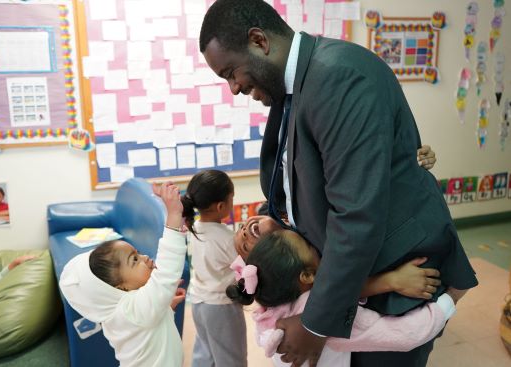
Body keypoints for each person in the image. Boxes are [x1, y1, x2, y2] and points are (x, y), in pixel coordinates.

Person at [199, 1, 478, 366]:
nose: (234, 88)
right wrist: (274, 219)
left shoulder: (340, 77)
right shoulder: (296, 88)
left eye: (231, 72)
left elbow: (356, 214)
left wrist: (315, 325)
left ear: (258, 40)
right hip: (351, 280)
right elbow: (296, 177)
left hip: (389, 282)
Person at [226, 230, 466, 367]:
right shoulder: (321, 316)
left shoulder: (268, 301)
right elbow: (404, 335)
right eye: (311, 247)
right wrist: (449, 300)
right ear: (307, 275)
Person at [59, 183, 187, 367]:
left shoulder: (121, 311)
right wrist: (174, 215)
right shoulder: (132, 310)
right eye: (134, 260)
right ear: (120, 287)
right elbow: (166, 273)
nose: (144, 258)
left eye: (138, 253)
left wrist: (165, 306)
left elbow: (149, 328)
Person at [182, 170, 247, 367]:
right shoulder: (227, 239)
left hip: (198, 303)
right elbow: (246, 269)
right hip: (222, 306)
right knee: (231, 357)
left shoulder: (193, 229)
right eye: (231, 199)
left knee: (206, 353)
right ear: (221, 206)